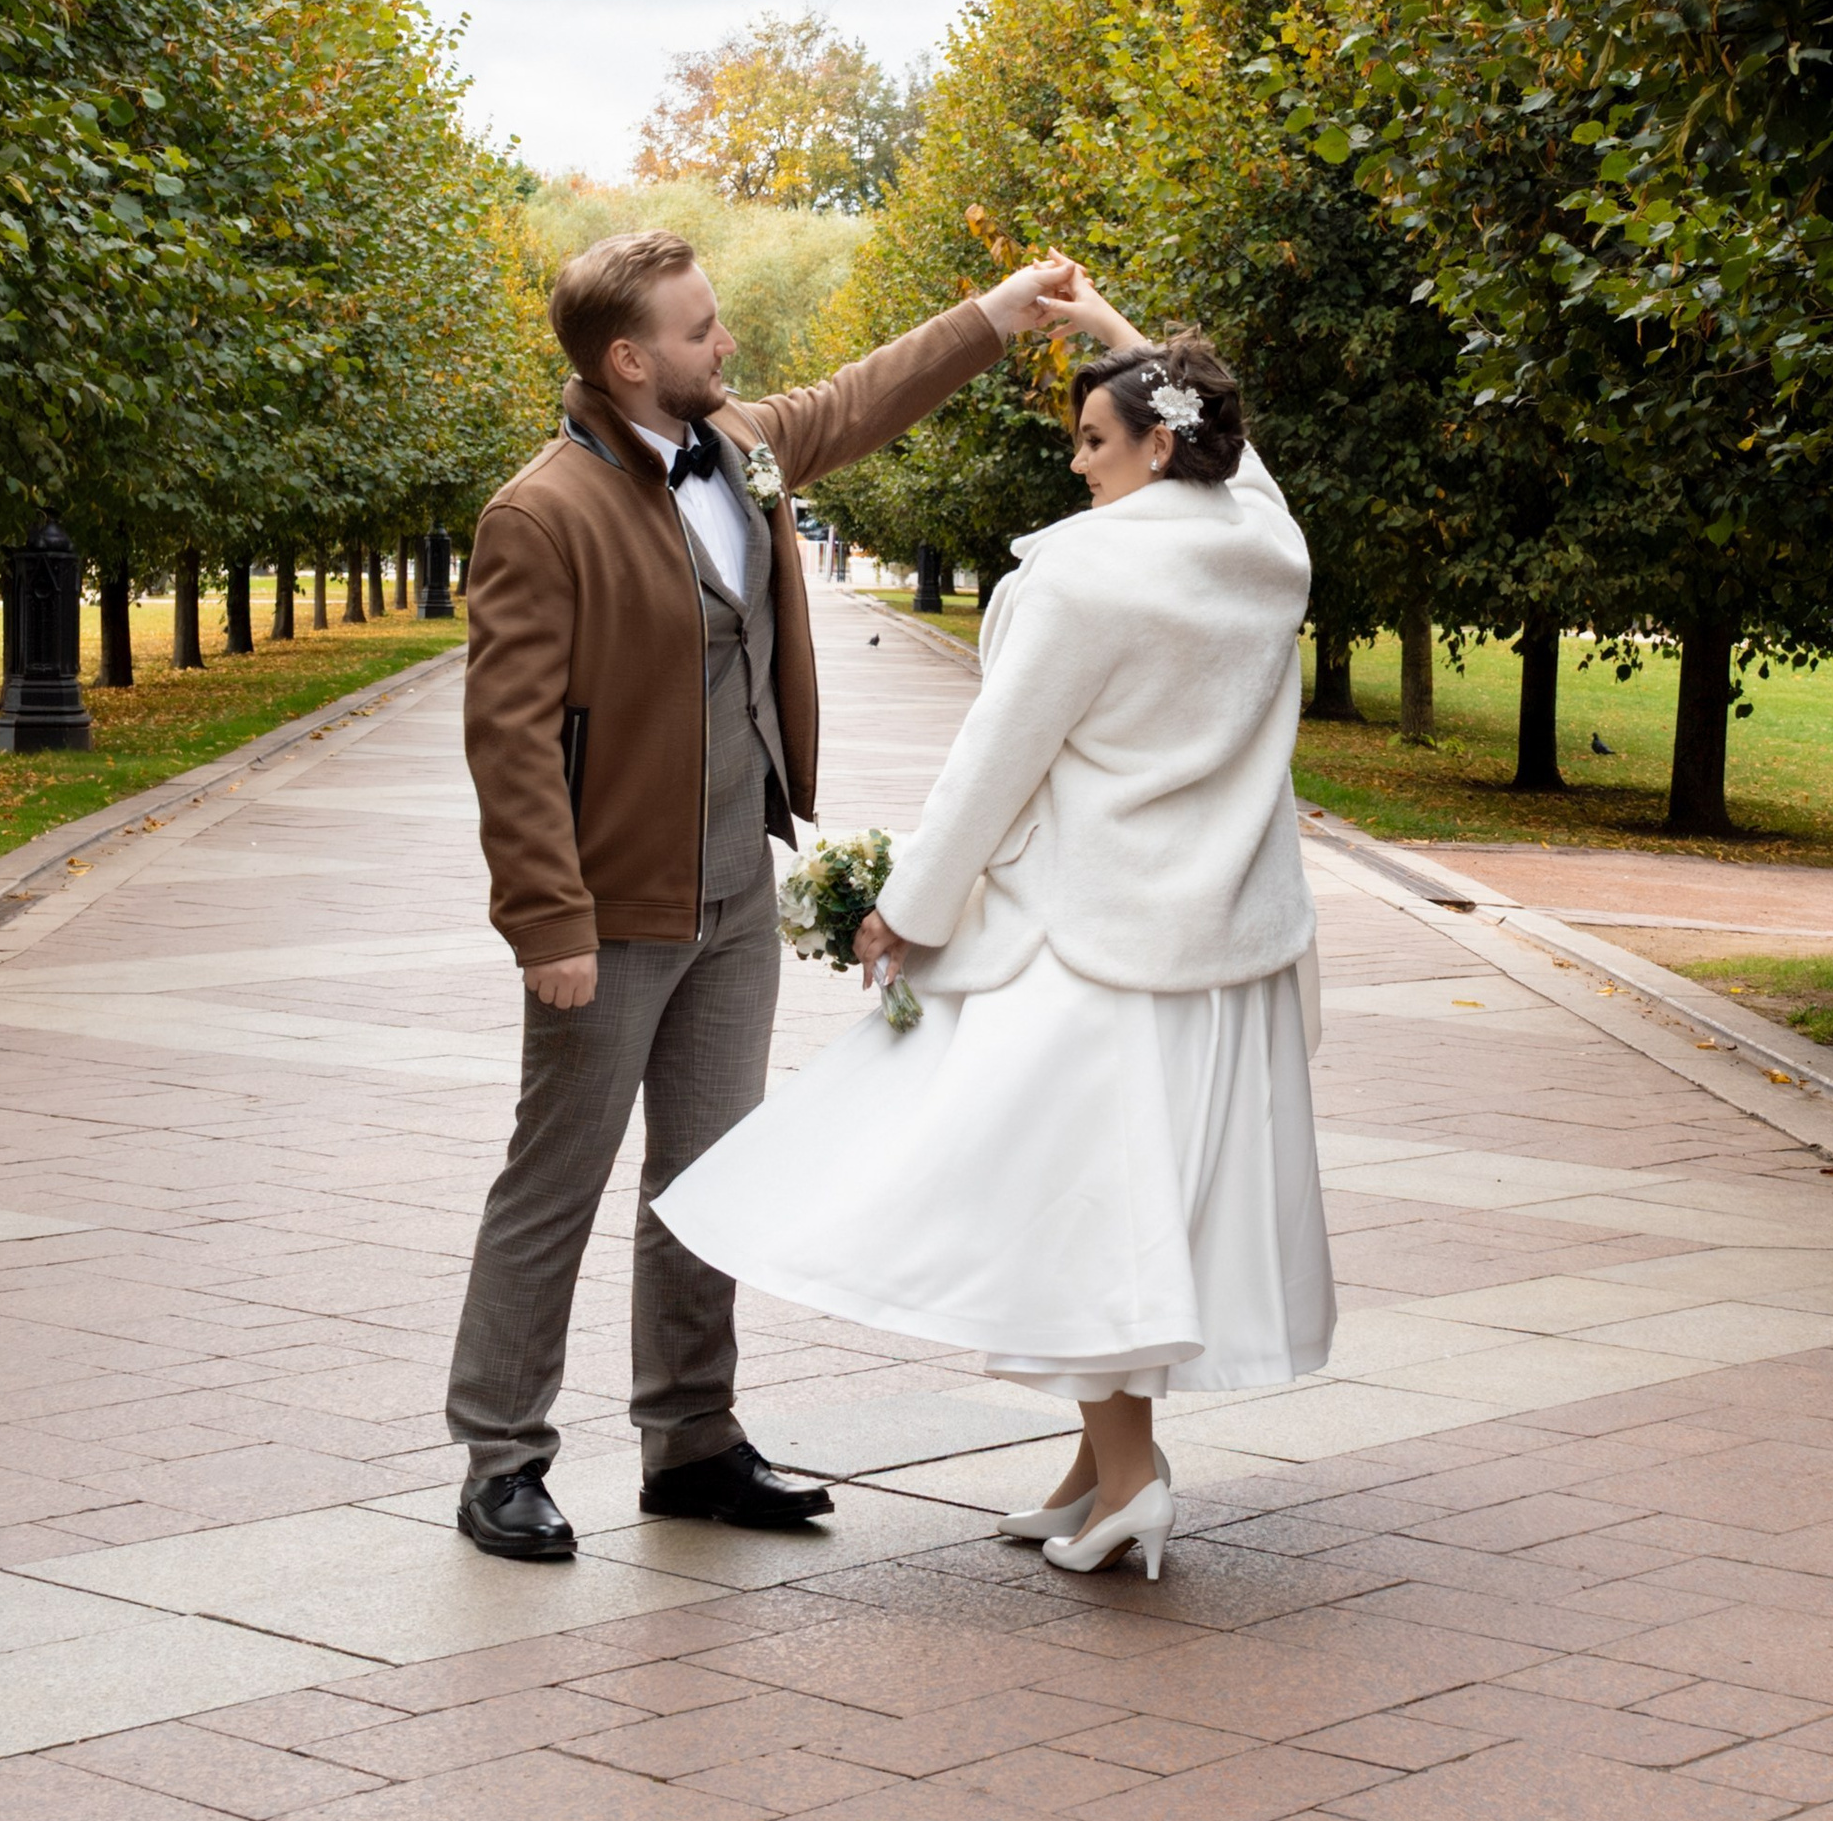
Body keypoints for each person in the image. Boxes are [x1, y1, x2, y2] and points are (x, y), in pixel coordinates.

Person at [654, 271, 1333, 1580]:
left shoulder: (1088, 578)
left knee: (1080, 1206)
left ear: (1160, 442)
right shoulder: (1264, 544)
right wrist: (1115, 336)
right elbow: (1230, 450)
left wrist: (905, 912)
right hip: (1217, 951)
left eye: (1095, 439)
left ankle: (1130, 1476)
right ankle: (1096, 1470)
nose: (1079, 467)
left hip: (1086, 947)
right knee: (1134, 1200)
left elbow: (995, 762)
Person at [447, 227, 1080, 1559]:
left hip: (736, 893)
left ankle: (691, 1442)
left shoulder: (739, 448)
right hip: (611, 913)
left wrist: (998, 316)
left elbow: (853, 400)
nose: (723, 346)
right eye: (698, 330)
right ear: (628, 360)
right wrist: (546, 921)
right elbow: (507, 742)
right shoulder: (539, 514)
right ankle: (502, 1457)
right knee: (554, 1182)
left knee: (713, 1178)